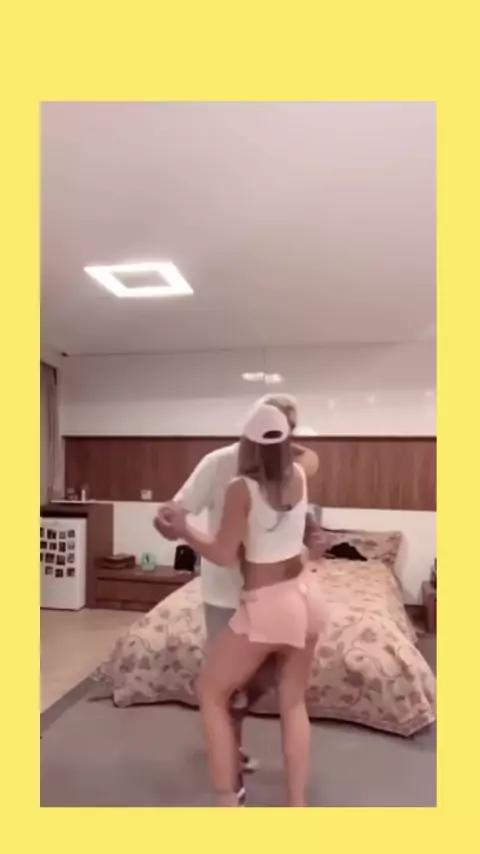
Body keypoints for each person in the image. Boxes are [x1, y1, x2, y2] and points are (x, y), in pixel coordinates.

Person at [153, 394, 326, 804]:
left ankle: (226, 800)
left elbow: (223, 552)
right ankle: (296, 804)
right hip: (306, 598)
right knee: (292, 703)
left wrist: (185, 531)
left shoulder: (241, 488)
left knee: (212, 692)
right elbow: (306, 465)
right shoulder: (297, 477)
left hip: (264, 605)